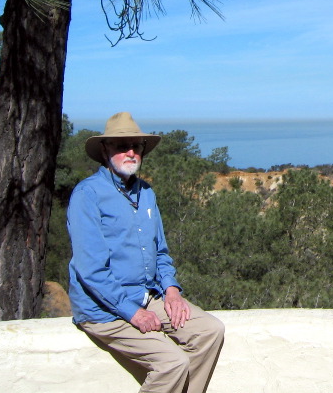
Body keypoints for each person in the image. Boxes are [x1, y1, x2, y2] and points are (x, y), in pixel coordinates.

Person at [67, 112, 224, 393]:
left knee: (209, 332)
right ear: (105, 151)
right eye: (121, 146)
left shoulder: (146, 192)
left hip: (146, 296)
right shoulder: (87, 195)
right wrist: (133, 313)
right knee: (172, 363)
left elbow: (160, 252)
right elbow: (91, 269)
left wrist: (172, 290)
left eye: (136, 146)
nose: (130, 152)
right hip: (104, 309)